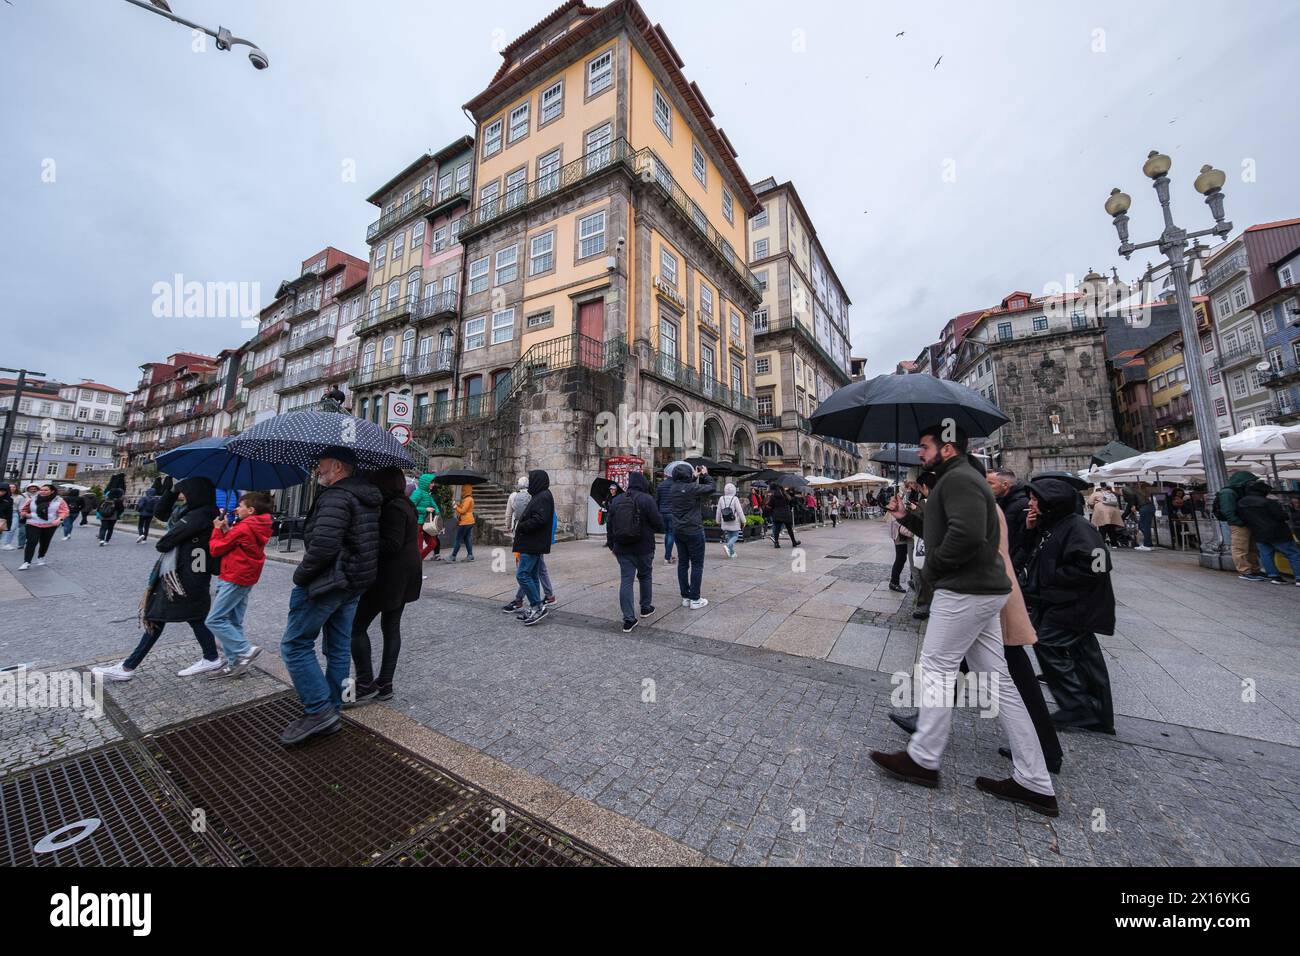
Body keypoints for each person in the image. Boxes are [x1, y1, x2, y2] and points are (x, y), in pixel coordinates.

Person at [872, 424, 1057, 817]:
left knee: (938, 668)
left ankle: (923, 758)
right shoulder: (958, 479)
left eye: (923, 447)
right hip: (982, 589)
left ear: (948, 446)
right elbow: (948, 531)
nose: (919, 454)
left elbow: (968, 535)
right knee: (999, 681)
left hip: (965, 589)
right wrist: (909, 516)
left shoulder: (959, 479)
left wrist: (934, 570)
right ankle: (1035, 779)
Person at [278, 448, 381, 745]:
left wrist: (301, 577)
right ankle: (332, 706)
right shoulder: (367, 496)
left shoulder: (336, 497)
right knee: (337, 647)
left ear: (337, 466)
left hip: (328, 582)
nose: (317, 470)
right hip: (352, 582)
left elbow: (323, 546)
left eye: (321, 465)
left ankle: (319, 709)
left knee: (295, 645)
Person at [92, 477, 223, 681]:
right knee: (193, 618)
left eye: (185, 491)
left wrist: (173, 535)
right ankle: (211, 656)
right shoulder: (196, 512)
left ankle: (127, 668)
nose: (183, 494)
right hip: (189, 576)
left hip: (181, 578)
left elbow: (164, 543)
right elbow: (161, 514)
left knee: (157, 617)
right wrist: (171, 491)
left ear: (195, 492)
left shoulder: (199, 515)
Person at [1022, 477, 1116, 736]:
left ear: (1052, 503)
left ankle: (1076, 705)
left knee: (1047, 644)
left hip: (1075, 604)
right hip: (1062, 602)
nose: (1029, 503)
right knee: (1085, 657)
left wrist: (1054, 577)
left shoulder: (1079, 527)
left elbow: (1098, 564)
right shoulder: (1053, 524)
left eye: (1035, 499)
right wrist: (1031, 530)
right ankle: (1097, 713)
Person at [348, 467, 422, 703]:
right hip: (406, 575)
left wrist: (366, 537)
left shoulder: (393, 508)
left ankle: (365, 681)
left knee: (356, 627)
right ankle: (385, 682)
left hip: (390, 577)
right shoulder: (406, 504)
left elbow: (391, 543)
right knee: (391, 628)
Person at [204, 491, 274, 680]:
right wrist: (228, 529)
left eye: (240, 506)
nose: (236, 508)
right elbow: (237, 543)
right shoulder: (256, 525)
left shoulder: (244, 527)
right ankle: (236, 663)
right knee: (234, 622)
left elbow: (216, 548)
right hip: (245, 575)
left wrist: (217, 528)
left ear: (250, 510)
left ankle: (245, 650)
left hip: (234, 575)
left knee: (214, 619)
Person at [605, 471, 665, 632]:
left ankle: (629, 619)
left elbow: (609, 525)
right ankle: (645, 608)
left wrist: (612, 545)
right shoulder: (647, 499)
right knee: (645, 575)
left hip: (622, 548)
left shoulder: (617, 500)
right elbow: (658, 523)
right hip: (644, 547)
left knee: (626, 580)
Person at [501, 476, 557, 613]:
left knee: (524, 573)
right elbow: (550, 518)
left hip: (529, 540)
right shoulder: (539, 496)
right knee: (534, 572)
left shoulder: (535, 497)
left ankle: (532, 604)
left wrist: (517, 526)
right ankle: (540, 601)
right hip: (536, 540)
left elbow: (538, 519)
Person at [668, 463, 715, 609]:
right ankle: (695, 599)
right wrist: (705, 474)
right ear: (688, 475)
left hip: (678, 530)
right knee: (697, 564)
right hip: (694, 529)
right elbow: (711, 487)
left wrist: (693, 477)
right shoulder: (693, 489)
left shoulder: (672, 488)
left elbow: (684, 488)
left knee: (683, 563)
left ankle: (686, 597)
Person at [511, 470, 555, 626]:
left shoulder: (543, 496)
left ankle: (537, 606)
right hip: (533, 543)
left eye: (531, 479)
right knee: (533, 576)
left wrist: (521, 526)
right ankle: (535, 607)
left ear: (538, 480)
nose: (530, 482)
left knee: (522, 575)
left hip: (532, 543)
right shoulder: (540, 495)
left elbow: (539, 519)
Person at [1236, 481, 1300, 586]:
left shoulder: (1241, 503)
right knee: (1293, 554)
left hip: (1258, 532)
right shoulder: (1267, 502)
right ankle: (1299, 577)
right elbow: (1282, 516)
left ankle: (1274, 576)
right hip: (1277, 532)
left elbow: (1242, 518)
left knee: (1266, 555)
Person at [1216, 470, 1264, 581]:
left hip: (1247, 522)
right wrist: (1238, 522)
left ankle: (1255, 569)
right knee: (1240, 548)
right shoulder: (1228, 492)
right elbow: (1227, 511)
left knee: (1252, 548)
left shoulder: (1240, 490)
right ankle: (1245, 570)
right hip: (1239, 524)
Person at [986, 468, 1030, 572]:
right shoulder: (1000, 500)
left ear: (1005, 485)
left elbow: (1024, 540)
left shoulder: (1023, 504)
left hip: (1011, 563)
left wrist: (1013, 566)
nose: (986, 487)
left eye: (990, 483)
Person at [18, 484, 68, 570]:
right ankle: (26, 562)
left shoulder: (59, 500)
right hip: (33, 523)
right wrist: (26, 514)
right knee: (31, 542)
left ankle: (41, 557)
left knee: (45, 542)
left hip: (50, 524)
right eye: (41, 490)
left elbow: (64, 511)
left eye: (45, 490)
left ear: (52, 491)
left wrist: (59, 519)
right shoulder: (33, 499)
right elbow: (23, 510)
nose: (42, 492)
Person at [409, 473, 443, 562]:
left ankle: (417, 561)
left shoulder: (427, 494)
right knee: (419, 547)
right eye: (431, 483)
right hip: (417, 523)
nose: (433, 484)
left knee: (433, 543)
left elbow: (434, 506)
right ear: (425, 483)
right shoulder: (418, 493)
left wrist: (438, 513)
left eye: (433, 483)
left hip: (425, 524)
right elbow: (410, 507)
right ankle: (416, 566)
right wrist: (425, 509)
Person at [1087, 483, 1124, 548]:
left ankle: (1101, 543)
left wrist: (1095, 503)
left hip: (1102, 511)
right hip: (1113, 511)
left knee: (1102, 528)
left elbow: (1090, 502)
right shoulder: (1111, 493)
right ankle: (1114, 544)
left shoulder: (1096, 493)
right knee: (1112, 528)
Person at [715, 481, 745, 558]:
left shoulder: (721, 498)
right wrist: (744, 520)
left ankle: (731, 553)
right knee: (735, 535)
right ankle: (728, 546)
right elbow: (739, 511)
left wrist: (717, 520)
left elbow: (718, 511)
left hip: (725, 520)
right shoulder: (735, 499)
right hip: (734, 520)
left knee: (729, 536)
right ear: (734, 490)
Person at [655, 466, 677, 565]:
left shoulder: (661, 485)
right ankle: (667, 558)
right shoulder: (676, 485)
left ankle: (669, 554)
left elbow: (657, 500)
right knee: (671, 534)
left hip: (662, 512)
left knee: (667, 534)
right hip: (672, 512)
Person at [449, 484, 475, 561]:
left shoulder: (468, 499)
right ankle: (470, 555)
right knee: (467, 538)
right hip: (469, 521)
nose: (462, 492)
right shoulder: (468, 499)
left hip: (465, 522)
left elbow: (463, 511)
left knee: (458, 539)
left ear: (466, 490)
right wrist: (458, 505)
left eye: (463, 490)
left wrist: (456, 507)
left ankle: (453, 556)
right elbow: (464, 508)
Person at [888, 510, 911, 593]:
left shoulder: (896, 507)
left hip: (900, 536)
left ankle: (894, 581)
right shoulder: (895, 509)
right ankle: (894, 582)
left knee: (902, 559)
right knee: (900, 559)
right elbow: (900, 526)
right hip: (900, 537)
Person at [0, 484, 13, 550]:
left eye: (3, 491)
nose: (1, 492)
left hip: (1, 521)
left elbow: (9, 514)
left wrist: (9, 525)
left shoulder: (9, 500)